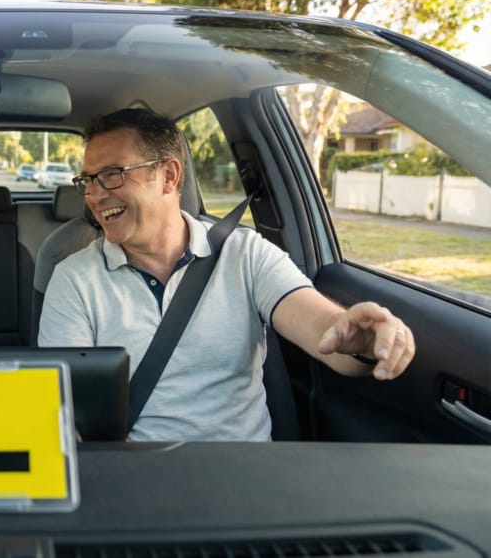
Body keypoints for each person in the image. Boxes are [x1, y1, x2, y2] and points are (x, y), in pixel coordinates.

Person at [38, 108, 415, 441]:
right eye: (88, 180)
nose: (94, 195)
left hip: (243, 473)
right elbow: (63, 408)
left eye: (112, 175)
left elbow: (325, 330)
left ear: (168, 175)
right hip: (136, 475)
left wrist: (361, 342)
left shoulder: (246, 254)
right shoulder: (74, 279)